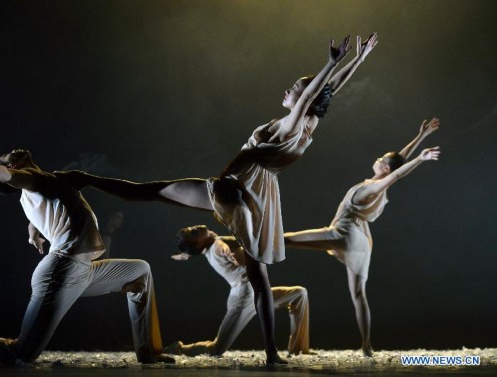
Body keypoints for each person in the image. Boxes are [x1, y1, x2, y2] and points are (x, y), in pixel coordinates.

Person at [59, 33, 378, 364]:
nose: (288, 91)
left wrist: (332, 61)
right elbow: (328, 92)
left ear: (302, 101)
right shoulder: (309, 124)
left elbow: (315, 92)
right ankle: (271, 352)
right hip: (258, 198)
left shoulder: (292, 124)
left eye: (293, 89)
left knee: (152, 191)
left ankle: (86, 180)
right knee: (259, 279)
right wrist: (360, 58)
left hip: (234, 188)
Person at [0, 150, 174, 365]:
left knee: (141, 272)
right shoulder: (31, 178)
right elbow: (7, 176)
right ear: (11, 166)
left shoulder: (43, 185)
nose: (12, 150)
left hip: (84, 270)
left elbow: (39, 210)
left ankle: (149, 353)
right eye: (6, 156)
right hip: (61, 272)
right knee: (23, 352)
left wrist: (33, 232)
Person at [284, 118, 441, 357]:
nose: (377, 160)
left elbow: (397, 172)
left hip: (343, 233)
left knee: (288, 239)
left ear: (385, 169)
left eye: (381, 160)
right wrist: (421, 137)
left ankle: (245, 247)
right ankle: (367, 346)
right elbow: (398, 162)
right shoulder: (380, 183)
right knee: (358, 294)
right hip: (361, 241)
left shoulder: (373, 188)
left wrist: (420, 158)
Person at [164, 225, 309, 356]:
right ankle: (179, 349)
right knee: (216, 349)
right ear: (199, 243)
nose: (200, 227)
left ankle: (299, 349)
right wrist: (225, 251)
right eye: (195, 232)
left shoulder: (208, 249)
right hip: (243, 298)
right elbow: (220, 246)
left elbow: (216, 244)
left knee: (298, 294)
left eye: (195, 228)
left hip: (256, 291)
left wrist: (187, 253)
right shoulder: (216, 246)